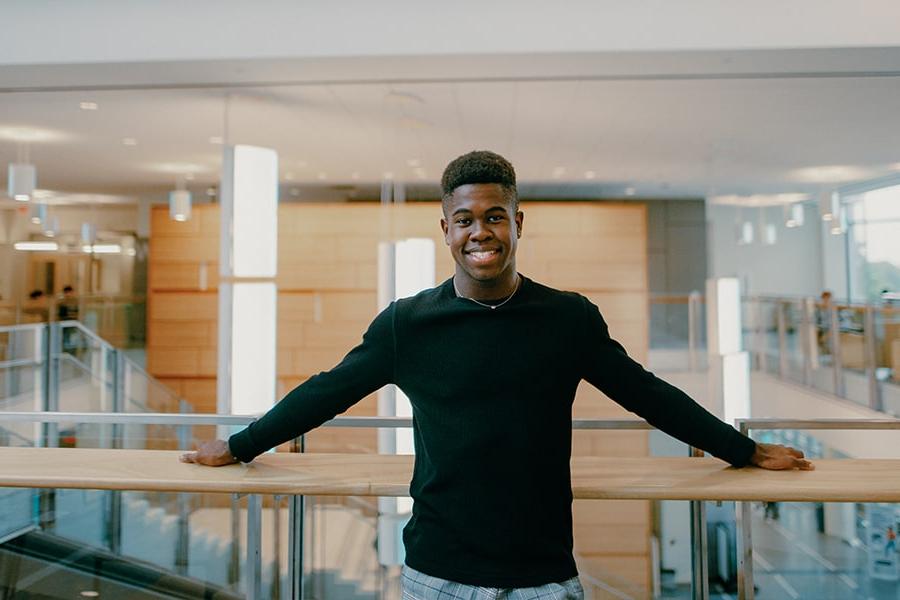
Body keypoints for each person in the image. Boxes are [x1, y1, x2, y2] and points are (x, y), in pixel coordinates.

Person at [182, 151, 812, 599]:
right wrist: (238, 447)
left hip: (544, 575)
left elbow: (648, 394)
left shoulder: (568, 319)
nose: (479, 232)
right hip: (437, 574)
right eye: (465, 220)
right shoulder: (407, 325)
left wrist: (744, 449)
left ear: (516, 223)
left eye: (493, 217)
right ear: (446, 230)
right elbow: (325, 393)